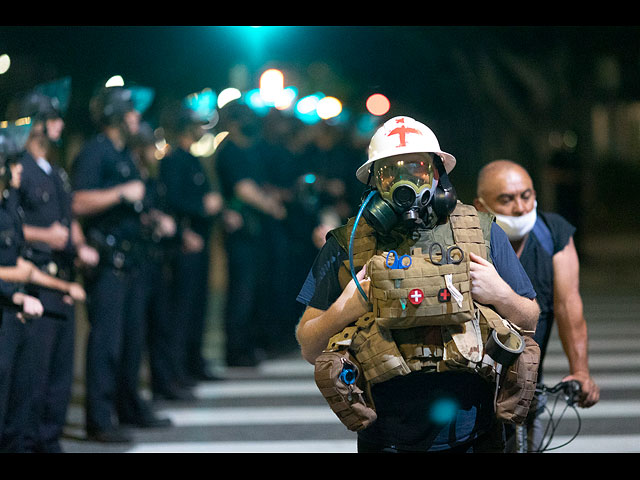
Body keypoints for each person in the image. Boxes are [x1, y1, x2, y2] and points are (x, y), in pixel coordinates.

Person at [296, 116, 540, 453]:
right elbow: (309, 347)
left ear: (437, 174)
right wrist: (345, 308)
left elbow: (529, 320)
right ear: (374, 183)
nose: (404, 180)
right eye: (389, 171)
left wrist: (500, 293)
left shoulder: (481, 231)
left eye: (417, 168)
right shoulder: (347, 243)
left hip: (474, 433)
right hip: (386, 437)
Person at [473, 159, 600, 451]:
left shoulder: (551, 233)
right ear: (480, 206)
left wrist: (580, 371)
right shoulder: (469, 239)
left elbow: (569, 306)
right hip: (476, 390)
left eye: (525, 195)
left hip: (529, 386)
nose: (520, 207)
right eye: (506, 199)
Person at [71, 85, 171, 443]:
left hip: (132, 260)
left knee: (131, 342)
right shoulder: (95, 152)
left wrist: (150, 219)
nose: (136, 119)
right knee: (107, 344)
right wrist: (120, 194)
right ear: (115, 116)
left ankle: (129, 407)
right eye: (130, 113)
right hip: (108, 262)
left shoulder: (124, 154)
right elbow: (78, 202)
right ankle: (99, 419)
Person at [15, 87, 99, 453]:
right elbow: (10, 225)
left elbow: (68, 216)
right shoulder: (18, 168)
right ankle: (29, 440)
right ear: (35, 125)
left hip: (63, 277)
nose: (59, 125)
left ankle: (50, 439)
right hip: (35, 277)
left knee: (60, 372)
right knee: (34, 371)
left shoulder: (57, 170)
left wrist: (79, 246)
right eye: (52, 119)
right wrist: (44, 235)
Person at [0, 122, 85, 452]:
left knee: (20, 401)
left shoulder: (10, 209)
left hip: (16, 311)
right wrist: (15, 293)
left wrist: (62, 285)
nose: (20, 170)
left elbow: (24, 268)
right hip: (8, 310)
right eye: (13, 163)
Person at [214, 102, 286, 367]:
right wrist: (272, 206)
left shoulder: (250, 151)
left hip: (255, 233)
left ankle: (250, 344)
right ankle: (236, 349)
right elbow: (244, 189)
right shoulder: (230, 151)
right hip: (240, 233)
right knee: (241, 291)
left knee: (254, 290)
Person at [159, 102, 223, 385]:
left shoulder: (193, 158)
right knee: (181, 310)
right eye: (196, 125)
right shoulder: (174, 160)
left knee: (198, 306)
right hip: (185, 243)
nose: (201, 130)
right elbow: (171, 200)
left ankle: (193, 362)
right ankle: (176, 369)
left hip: (201, 240)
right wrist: (202, 206)